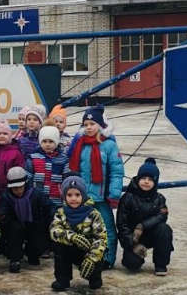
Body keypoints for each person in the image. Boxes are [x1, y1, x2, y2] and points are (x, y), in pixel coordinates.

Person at [67, 104, 124, 268]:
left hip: (101, 197)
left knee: (106, 229)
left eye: (92, 124)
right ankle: (83, 257)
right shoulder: (80, 145)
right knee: (82, 228)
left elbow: (117, 172)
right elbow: (73, 169)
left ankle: (107, 258)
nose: (89, 127)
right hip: (82, 198)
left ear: (100, 125)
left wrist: (114, 194)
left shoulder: (109, 145)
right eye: (85, 125)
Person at [49, 176, 108, 291]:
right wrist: (72, 237)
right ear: (64, 196)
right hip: (69, 249)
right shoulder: (61, 213)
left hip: (88, 251)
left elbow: (101, 238)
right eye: (69, 195)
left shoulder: (94, 214)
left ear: (84, 195)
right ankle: (62, 280)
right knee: (58, 246)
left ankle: (95, 277)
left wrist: (92, 258)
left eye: (77, 195)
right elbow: (54, 231)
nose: (73, 198)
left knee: (95, 282)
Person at [116, 157, 173, 276]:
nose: (146, 181)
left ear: (155, 182)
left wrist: (142, 226)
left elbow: (162, 215)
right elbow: (122, 224)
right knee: (131, 264)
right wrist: (133, 244)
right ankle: (134, 256)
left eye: (150, 179)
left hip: (152, 234)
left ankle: (160, 264)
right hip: (134, 238)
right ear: (138, 179)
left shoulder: (159, 198)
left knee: (164, 229)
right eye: (143, 178)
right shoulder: (128, 197)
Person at [0, 166, 52, 273]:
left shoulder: (36, 194)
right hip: (16, 226)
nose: (18, 191)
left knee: (40, 244)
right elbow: (3, 212)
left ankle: (32, 254)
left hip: (35, 224)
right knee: (14, 229)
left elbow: (48, 206)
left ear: (26, 184)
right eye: (14, 188)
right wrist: (2, 216)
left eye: (20, 187)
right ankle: (15, 259)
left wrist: (50, 219)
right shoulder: (6, 197)